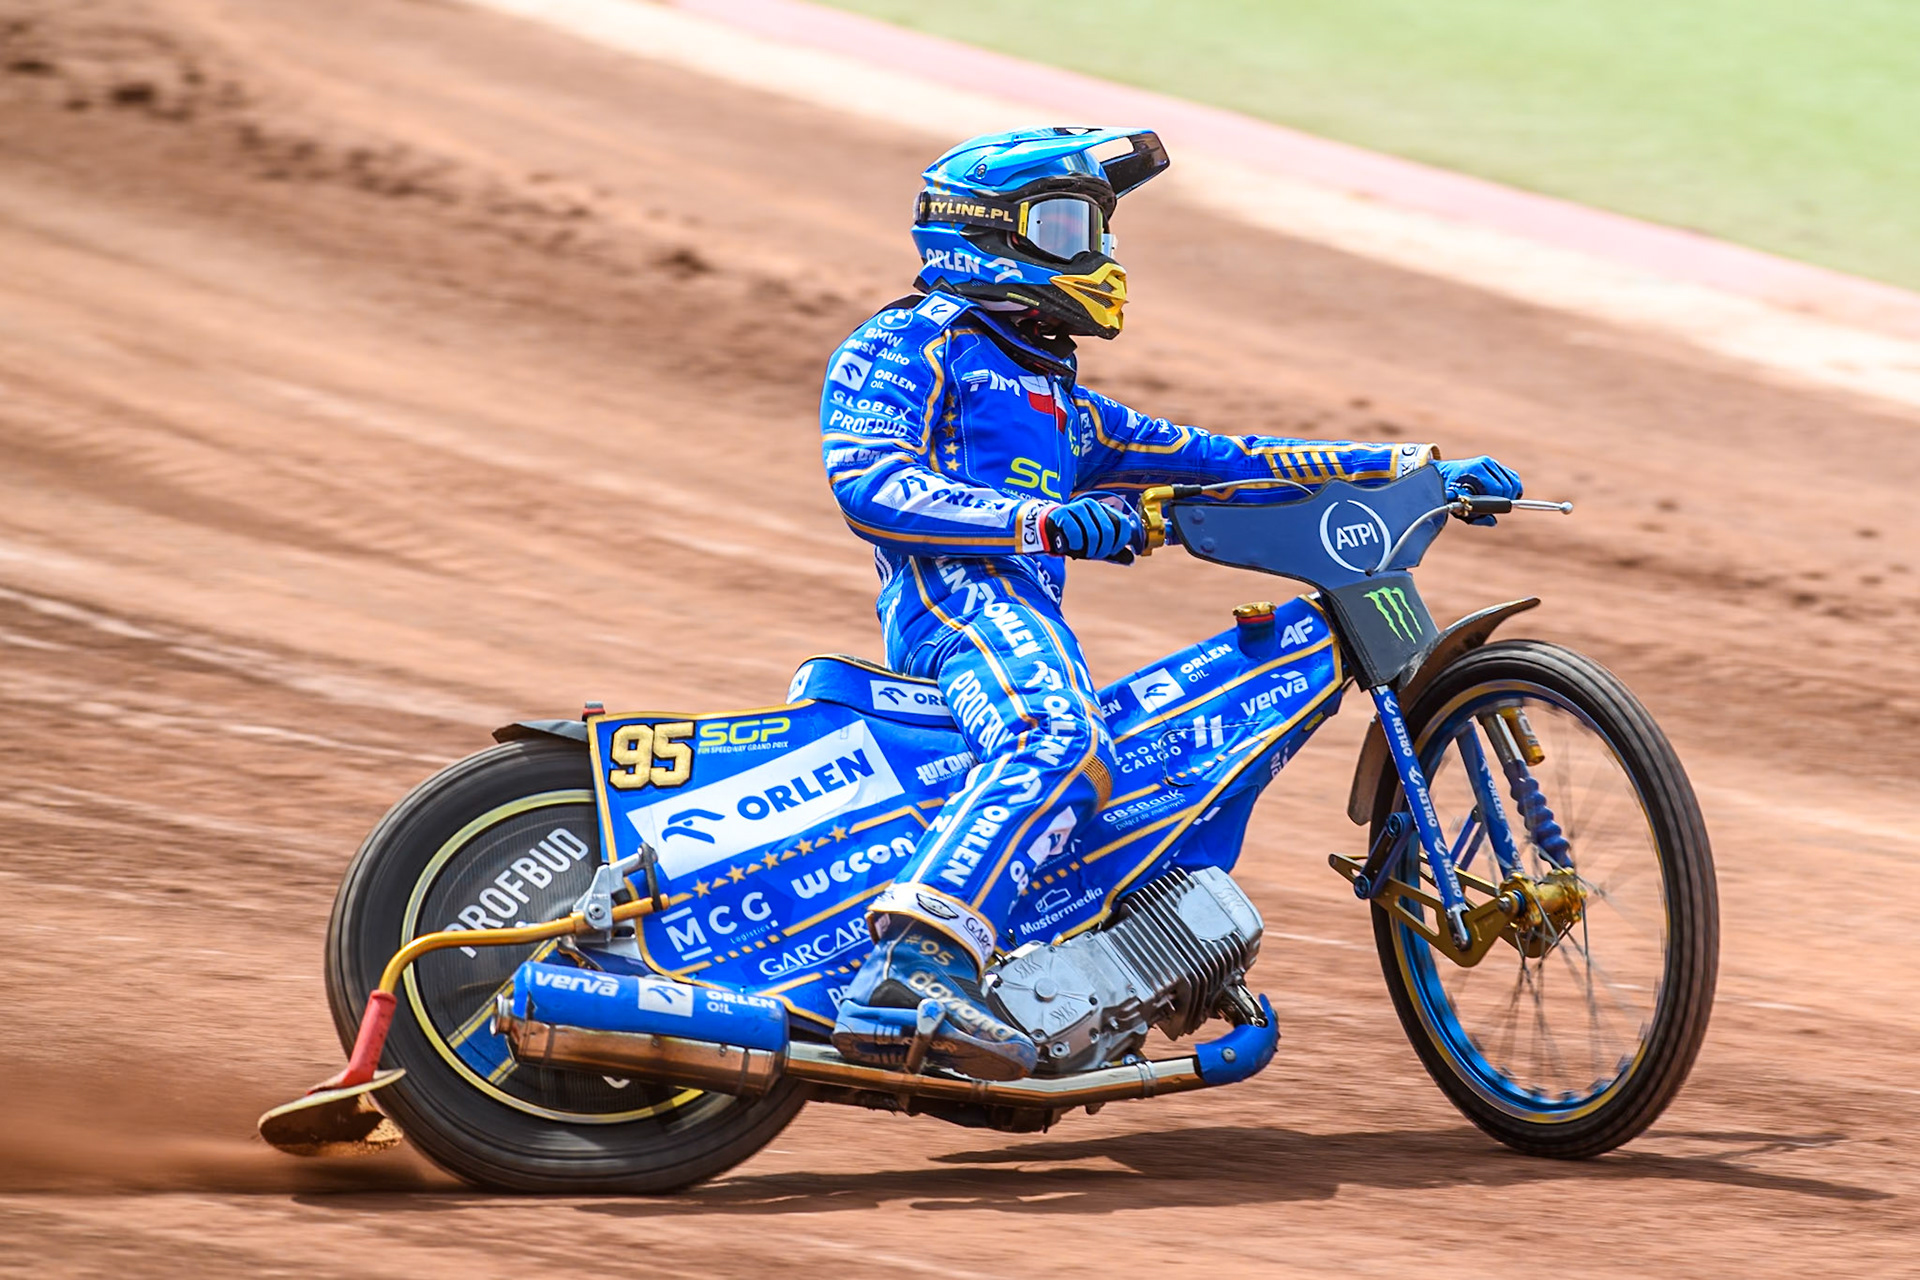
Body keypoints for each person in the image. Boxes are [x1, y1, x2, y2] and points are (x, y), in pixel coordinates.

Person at [818, 127, 1522, 1080]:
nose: (1097, 255)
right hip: (955, 606)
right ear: (981, 234)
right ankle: (912, 967)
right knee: (1053, 737)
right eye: (1068, 227)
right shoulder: (908, 341)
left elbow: (1223, 460)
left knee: (1122, 776)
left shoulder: (1059, 399)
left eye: (1098, 230)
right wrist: (1042, 522)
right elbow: (869, 486)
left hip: (1022, 612)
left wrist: (1411, 468)